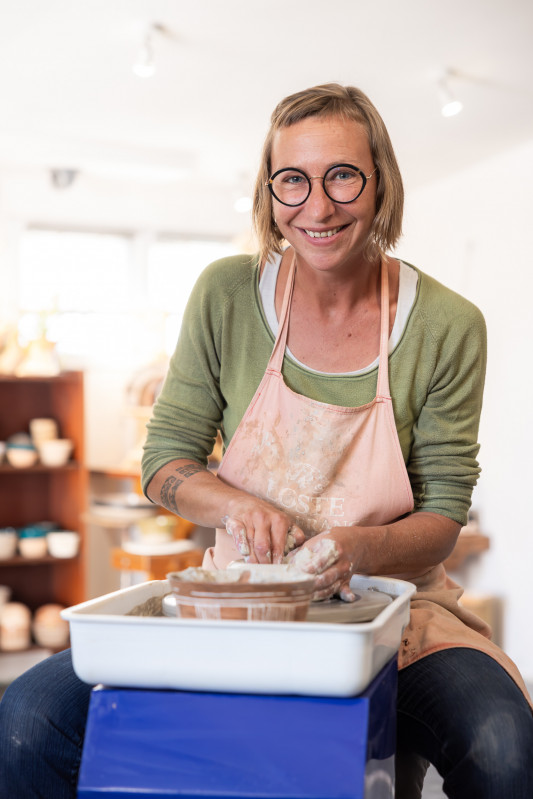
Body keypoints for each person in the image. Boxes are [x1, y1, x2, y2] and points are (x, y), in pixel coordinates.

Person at [0, 83, 531, 799]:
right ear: (269, 189)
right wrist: (230, 505)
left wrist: (356, 547)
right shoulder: (225, 293)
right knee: (26, 720)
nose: (317, 207)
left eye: (342, 175)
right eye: (293, 180)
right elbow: (164, 463)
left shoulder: (445, 323)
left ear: (380, 182)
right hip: (236, 601)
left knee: (505, 744)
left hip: (397, 611)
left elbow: (440, 520)